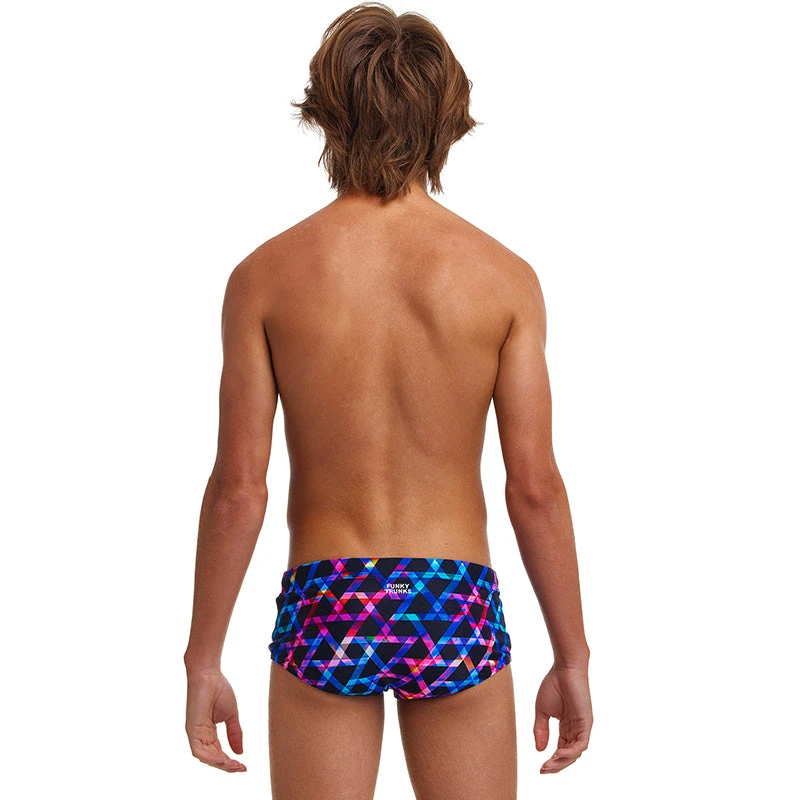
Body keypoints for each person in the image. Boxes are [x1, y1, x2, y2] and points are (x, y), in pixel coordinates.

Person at [183, 3, 592, 797]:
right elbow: (535, 488)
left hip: (328, 598)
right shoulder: (504, 279)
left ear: (325, 110)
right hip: (452, 600)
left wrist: (203, 660)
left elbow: (239, 489)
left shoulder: (264, 278)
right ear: (448, 116)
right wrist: (571, 656)